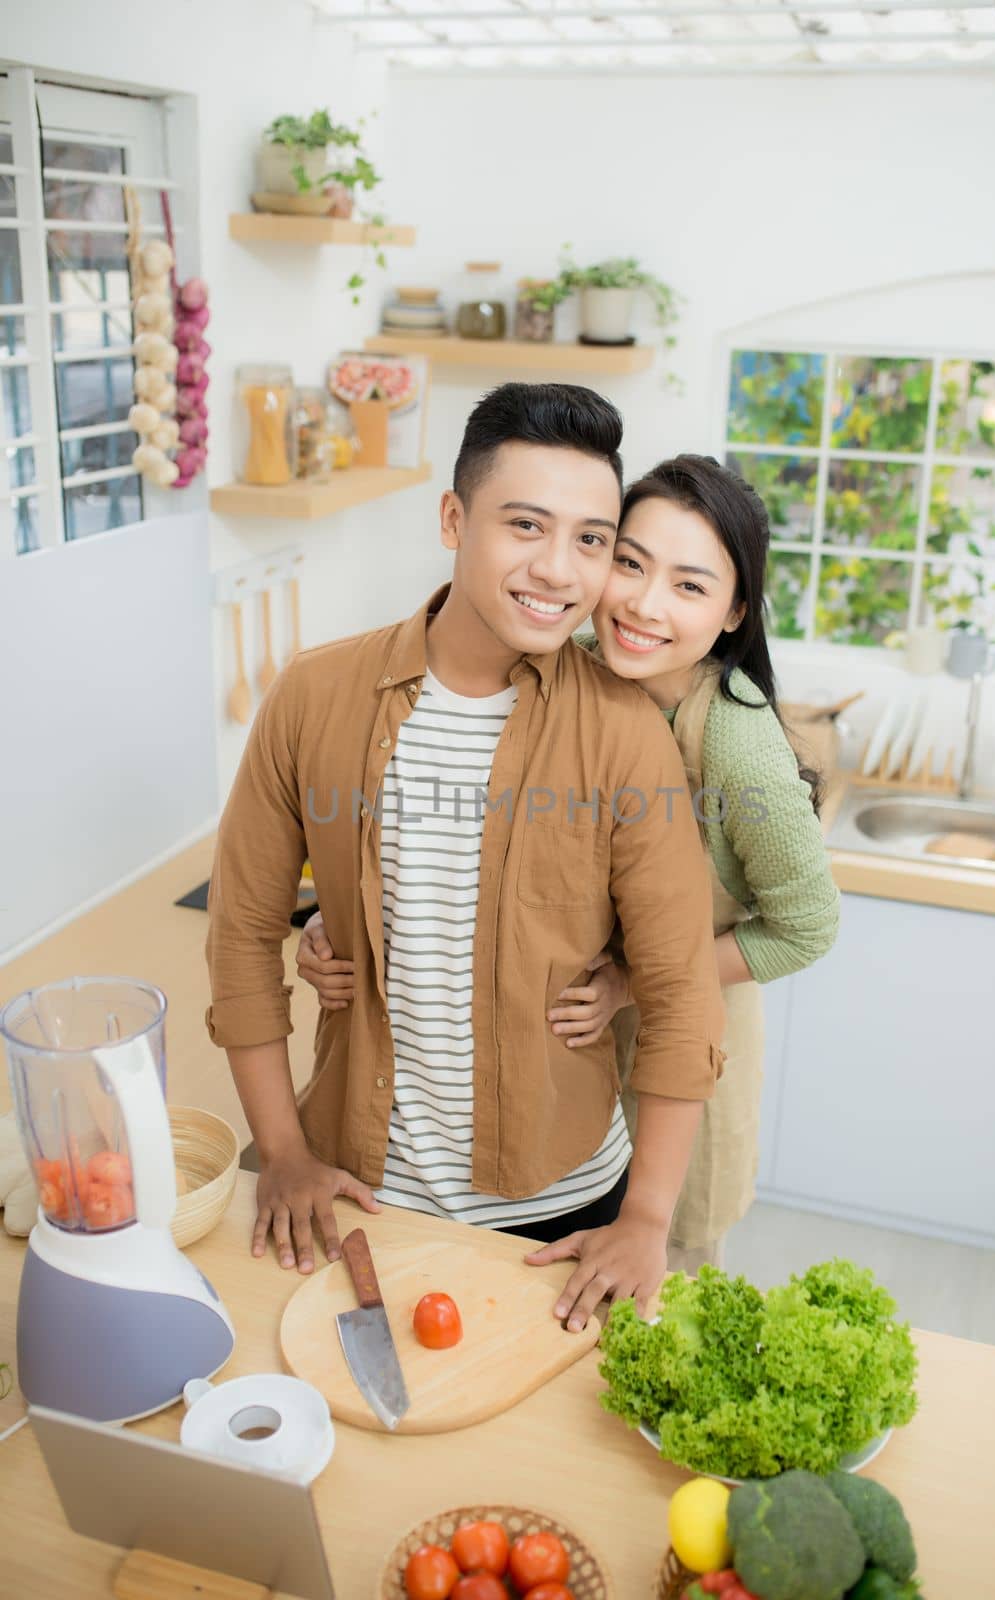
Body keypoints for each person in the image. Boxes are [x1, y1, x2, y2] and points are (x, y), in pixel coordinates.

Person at [205, 383, 725, 1334]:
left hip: (562, 1217)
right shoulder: (315, 695)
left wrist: (648, 1214)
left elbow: (681, 983)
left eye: (592, 539)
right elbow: (240, 934)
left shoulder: (621, 731)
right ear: (454, 518)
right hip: (352, 1191)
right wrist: (278, 1150)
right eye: (526, 525)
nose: (558, 570)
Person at [299, 453, 838, 1272]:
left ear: (734, 613)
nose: (643, 604)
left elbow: (807, 928)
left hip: (681, 1035)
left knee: (660, 1273)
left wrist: (631, 983)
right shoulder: (567, 662)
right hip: (565, 1048)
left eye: (689, 587)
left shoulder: (736, 744)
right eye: (628, 562)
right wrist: (338, 932)